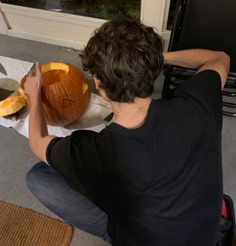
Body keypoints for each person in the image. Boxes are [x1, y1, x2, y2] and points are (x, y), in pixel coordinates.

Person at [24, 19, 230, 246]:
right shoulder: (197, 103)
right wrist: (151, 59)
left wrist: (34, 96)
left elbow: (37, 141)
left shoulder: (92, 153)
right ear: (152, 70)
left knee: (39, 176)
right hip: (209, 238)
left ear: (98, 84)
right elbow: (220, 58)